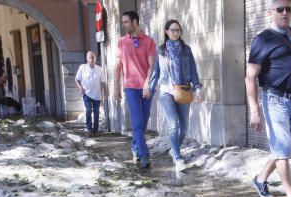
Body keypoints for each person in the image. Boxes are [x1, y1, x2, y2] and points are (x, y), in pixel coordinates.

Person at [245, 0, 291, 197]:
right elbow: (250, 76)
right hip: (275, 100)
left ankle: (261, 178)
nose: (285, 13)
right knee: (283, 149)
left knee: (283, 148)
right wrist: (255, 110)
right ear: (270, 13)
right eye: (280, 9)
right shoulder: (263, 39)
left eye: (288, 9)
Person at [147, 19, 202, 172]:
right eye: (173, 30)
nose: (176, 33)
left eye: (178, 30)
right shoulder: (161, 51)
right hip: (166, 92)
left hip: (183, 90)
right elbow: (156, 72)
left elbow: (193, 70)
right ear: (166, 31)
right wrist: (150, 88)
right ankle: (178, 158)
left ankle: (174, 149)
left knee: (184, 127)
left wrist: (197, 89)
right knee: (173, 124)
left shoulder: (186, 50)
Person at [114, 10, 157, 169]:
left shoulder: (149, 42)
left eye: (126, 22)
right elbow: (118, 66)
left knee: (143, 122)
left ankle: (134, 146)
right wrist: (115, 87)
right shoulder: (121, 42)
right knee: (138, 123)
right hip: (130, 88)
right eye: (123, 22)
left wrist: (147, 83)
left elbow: (152, 66)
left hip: (146, 87)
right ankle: (144, 156)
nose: (123, 25)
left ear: (135, 22)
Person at [75, 50, 108, 135]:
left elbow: (104, 82)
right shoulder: (82, 68)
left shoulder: (99, 69)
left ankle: (95, 130)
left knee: (96, 112)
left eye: (93, 57)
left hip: (97, 94)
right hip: (86, 94)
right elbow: (77, 79)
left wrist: (106, 92)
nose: (91, 59)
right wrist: (80, 88)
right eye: (90, 57)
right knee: (88, 111)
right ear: (87, 59)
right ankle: (89, 129)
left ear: (95, 59)